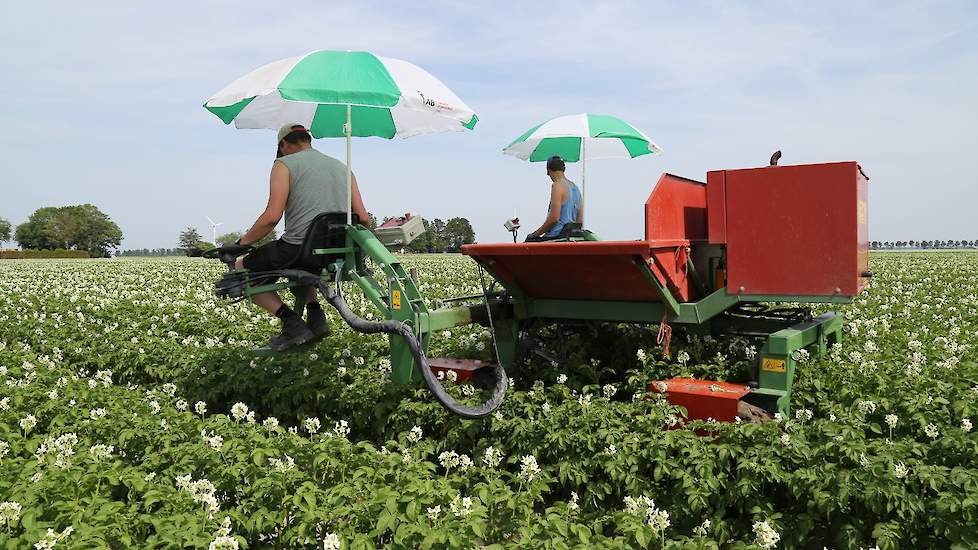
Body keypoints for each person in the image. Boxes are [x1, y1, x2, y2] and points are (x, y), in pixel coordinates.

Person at [234, 123, 371, 350]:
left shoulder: (283, 165)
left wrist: (242, 243)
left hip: (299, 248)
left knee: (241, 268)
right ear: (307, 140)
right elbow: (363, 218)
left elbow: (271, 217)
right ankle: (316, 317)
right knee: (304, 271)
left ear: (284, 145)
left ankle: (292, 322)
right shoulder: (343, 168)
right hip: (334, 253)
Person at [525, 155, 583, 241]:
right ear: (564, 169)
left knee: (528, 242)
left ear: (548, 171)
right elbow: (580, 220)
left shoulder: (557, 185)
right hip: (571, 236)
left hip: (556, 237)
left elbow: (554, 219)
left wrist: (534, 234)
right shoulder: (576, 188)